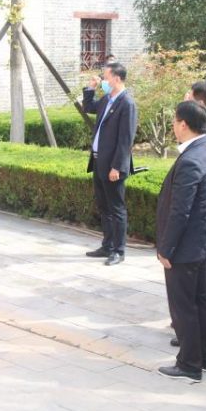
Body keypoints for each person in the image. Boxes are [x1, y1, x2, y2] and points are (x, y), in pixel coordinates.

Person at [156, 101, 206, 382]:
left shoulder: (191, 160)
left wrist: (166, 248)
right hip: (203, 242)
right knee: (200, 303)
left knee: (183, 306)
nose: (173, 125)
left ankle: (189, 364)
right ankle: (203, 356)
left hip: (185, 247)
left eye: (174, 121)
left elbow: (180, 211)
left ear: (183, 124)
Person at [82, 62, 138, 266]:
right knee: (104, 206)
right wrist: (90, 89)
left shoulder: (127, 103)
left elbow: (126, 139)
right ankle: (107, 245)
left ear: (117, 78)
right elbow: (88, 107)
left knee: (116, 209)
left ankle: (118, 250)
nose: (103, 80)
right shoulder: (107, 99)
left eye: (106, 77)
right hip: (99, 160)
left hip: (113, 165)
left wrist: (117, 167)